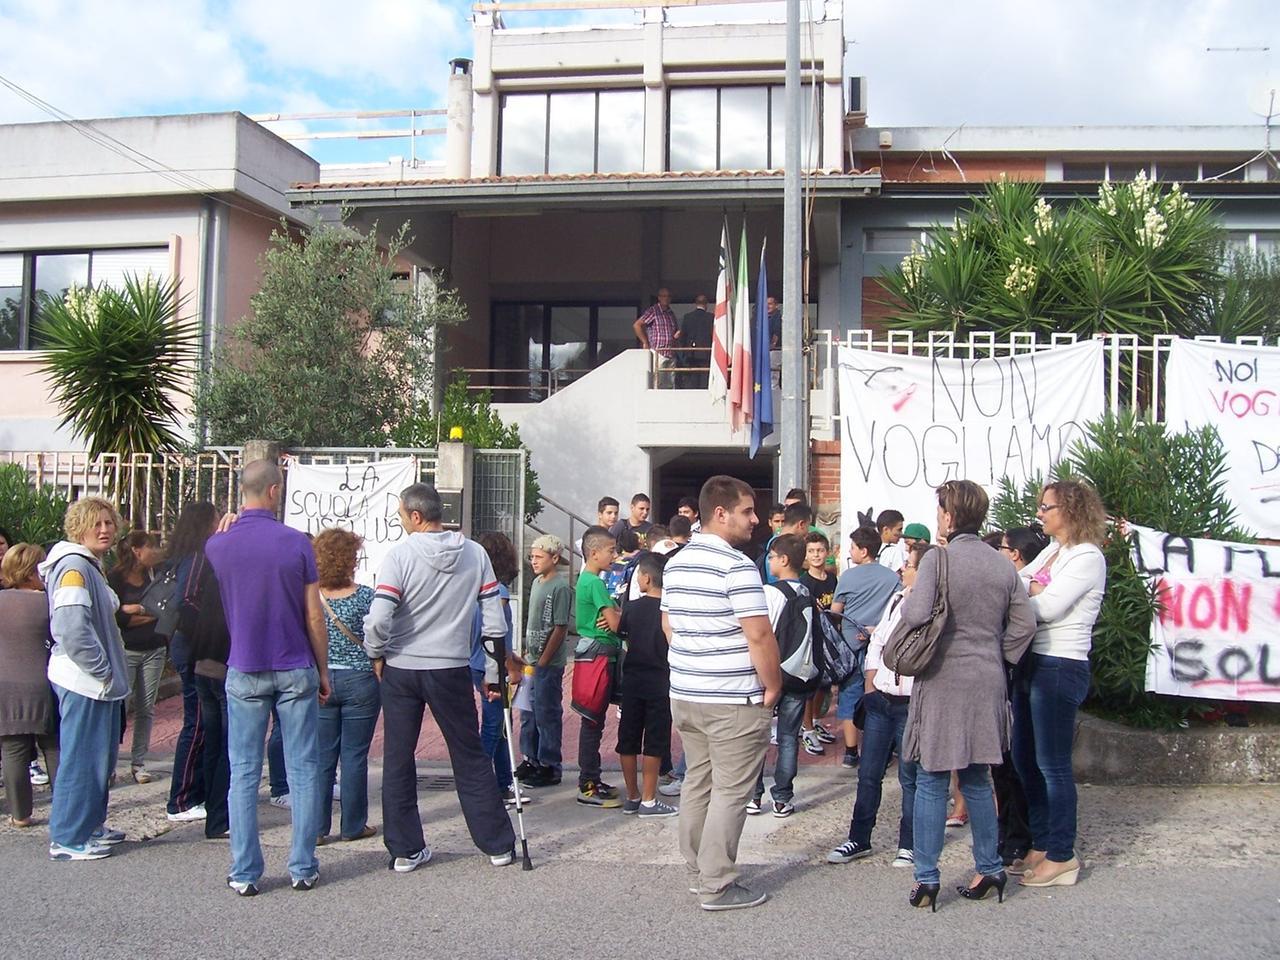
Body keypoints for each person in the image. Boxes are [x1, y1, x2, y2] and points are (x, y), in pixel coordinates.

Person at [363, 483, 516, 874]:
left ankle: (405, 849)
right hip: (450, 666)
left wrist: (375, 651)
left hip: (401, 667)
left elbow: (379, 618)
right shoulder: (475, 553)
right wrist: (494, 672)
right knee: (468, 755)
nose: (401, 521)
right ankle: (498, 844)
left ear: (416, 516)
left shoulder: (399, 555)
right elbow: (494, 621)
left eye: (401, 515)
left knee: (398, 758)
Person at [899, 480, 1036, 912]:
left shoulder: (937, 559)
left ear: (950, 515)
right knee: (978, 777)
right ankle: (990, 867)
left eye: (941, 510)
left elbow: (917, 613)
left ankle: (926, 877)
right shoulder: (1001, 565)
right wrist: (1000, 654)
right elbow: (1025, 624)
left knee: (931, 778)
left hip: (943, 677)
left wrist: (909, 592)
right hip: (987, 678)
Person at [206, 460, 331, 896]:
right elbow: (314, 615)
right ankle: (303, 865)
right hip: (294, 664)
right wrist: (323, 670)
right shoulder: (297, 543)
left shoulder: (218, 545)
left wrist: (223, 529)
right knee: (303, 767)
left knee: (243, 771)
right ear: (275, 491)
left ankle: (244, 871)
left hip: (244, 665)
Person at [662, 475, 782, 912]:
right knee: (731, 791)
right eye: (747, 511)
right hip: (732, 697)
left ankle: (698, 871)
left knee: (699, 782)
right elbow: (759, 634)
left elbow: (668, 624)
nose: (755, 519)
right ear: (720, 513)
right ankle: (717, 883)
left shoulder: (676, 563)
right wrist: (773, 684)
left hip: (687, 692)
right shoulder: (737, 566)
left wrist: (695, 660)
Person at [1010, 481, 1107, 888]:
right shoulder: (1054, 551)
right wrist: (1032, 587)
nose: (1040, 513)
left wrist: (1033, 589)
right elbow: (1017, 581)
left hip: (1060, 663)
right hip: (1032, 659)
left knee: (1052, 764)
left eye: (1046, 507)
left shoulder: (1087, 556)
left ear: (1069, 509)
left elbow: (1047, 607)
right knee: (1024, 757)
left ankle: (1062, 854)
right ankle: (1042, 840)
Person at [827, 541, 931, 867]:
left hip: (912, 702)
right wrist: (871, 685)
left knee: (910, 777)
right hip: (881, 699)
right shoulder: (897, 598)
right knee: (869, 773)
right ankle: (859, 838)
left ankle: (909, 843)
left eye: (909, 565)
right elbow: (879, 641)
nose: (903, 569)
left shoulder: (935, 607)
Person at [39, 497, 131, 861]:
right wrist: (102, 670)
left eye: (109, 523)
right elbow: (71, 628)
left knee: (97, 761)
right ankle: (68, 837)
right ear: (78, 528)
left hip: (94, 682)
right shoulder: (75, 567)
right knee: (82, 761)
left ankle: (89, 825)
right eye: (96, 523)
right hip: (85, 682)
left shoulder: (88, 565)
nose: (105, 529)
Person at [313, 528, 379, 845]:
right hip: (360, 678)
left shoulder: (311, 596)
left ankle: (316, 827)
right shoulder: (366, 596)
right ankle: (353, 825)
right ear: (350, 560)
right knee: (354, 756)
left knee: (322, 757)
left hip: (322, 678)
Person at [991, 524, 1050, 865]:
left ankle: (1019, 836)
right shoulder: (1009, 583)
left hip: (1021, 673)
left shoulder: (1026, 585)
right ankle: (1005, 832)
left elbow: (1024, 626)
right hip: (1003, 678)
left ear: (1013, 553)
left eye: (1001, 548)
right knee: (1001, 763)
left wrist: (1004, 656)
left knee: (1017, 761)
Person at [748, 534, 813, 819]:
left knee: (757, 737)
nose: (769, 562)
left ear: (783, 560)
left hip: (771, 673)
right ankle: (782, 798)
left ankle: (754, 795)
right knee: (788, 737)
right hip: (799, 674)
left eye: (772, 557)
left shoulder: (771, 593)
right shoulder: (806, 592)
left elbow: (762, 634)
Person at [165, 503, 221, 825]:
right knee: (197, 722)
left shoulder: (185, 555)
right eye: (216, 519)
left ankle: (196, 791)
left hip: (188, 645)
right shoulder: (198, 557)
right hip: (192, 647)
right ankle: (182, 799)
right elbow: (186, 600)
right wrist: (208, 628)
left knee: (202, 721)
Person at [829, 526, 900, 769]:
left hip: (850, 647)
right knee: (879, 699)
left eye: (852, 547)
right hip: (881, 647)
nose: (850, 551)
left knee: (849, 697)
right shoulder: (892, 578)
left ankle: (851, 752)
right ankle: (878, 751)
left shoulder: (848, 577)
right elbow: (897, 611)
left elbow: (835, 612)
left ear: (864, 550)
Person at [0, 543, 59, 828]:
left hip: (5, 686)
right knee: (55, 748)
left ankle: (20, 814)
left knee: (13, 751)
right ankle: (64, 808)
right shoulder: (48, 602)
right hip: (46, 682)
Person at [617, 552, 678, 818]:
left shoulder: (632, 608)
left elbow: (623, 634)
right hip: (660, 681)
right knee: (655, 740)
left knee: (627, 738)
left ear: (647, 578)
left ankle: (632, 796)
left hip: (632, 680)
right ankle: (649, 799)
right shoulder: (671, 609)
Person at [107, 530, 167, 784]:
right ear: (137, 550)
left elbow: (165, 610)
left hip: (155, 649)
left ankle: (138, 762)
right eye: (151, 546)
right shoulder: (115, 578)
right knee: (120, 707)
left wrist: (138, 610)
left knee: (146, 708)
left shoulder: (157, 574)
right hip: (127, 649)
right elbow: (117, 618)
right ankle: (109, 763)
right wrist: (146, 613)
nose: (156, 551)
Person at [187, 522, 233, 841]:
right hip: (226, 667)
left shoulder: (211, 574)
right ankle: (219, 815)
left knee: (213, 743)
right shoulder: (237, 579)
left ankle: (211, 811)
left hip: (203, 664)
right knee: (230, 746)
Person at [515, 534, 571, 788]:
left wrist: (545, 660)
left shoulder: (560, 587)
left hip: (547, 664)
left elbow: (560, 627)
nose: (534, 561)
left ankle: (550, 764)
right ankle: (531, 758)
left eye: (539, 556)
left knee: (546, 712)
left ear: (554, 558)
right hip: (531, 659)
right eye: (532, 557)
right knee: (528, 712)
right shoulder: (537, 582)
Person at [572, 526, 623, 808]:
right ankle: (587, 784)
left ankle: (592, 778)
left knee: (594, 722)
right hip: (598, 657)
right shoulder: (594, 583)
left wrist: (617, 613)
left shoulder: (589, 580)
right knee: (592, 722)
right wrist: (619, 616)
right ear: (593, 553)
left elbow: (614, 617)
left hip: (596, 655)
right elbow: (615, 624)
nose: (614, 555)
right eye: (610, 550)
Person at [471, 532, 518, 805]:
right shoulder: (497, 592)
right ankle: (481, 783)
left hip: (479, 662)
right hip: (492, 666)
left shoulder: (476, 589)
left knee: (501, 726)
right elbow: (496, 632)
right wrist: (509, 664)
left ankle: (503, 782)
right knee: (493, 726)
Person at [799, 532, 839, 754]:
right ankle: (807, 729)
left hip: (830, 638)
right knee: (811, 686)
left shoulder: (832, 579)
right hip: (812, 640)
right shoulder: (804, 582)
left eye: (820, 550)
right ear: (805, 555)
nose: (816, 555)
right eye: (811, 551)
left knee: (825, 685)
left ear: (827, 552)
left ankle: (815, 721)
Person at [757, 502, 812, 584]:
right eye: (808, 526)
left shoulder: (780, 544)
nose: (808, 531)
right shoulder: (778, 548)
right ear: (801, 524)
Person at [633, 287, 678, 386]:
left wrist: (676, 335)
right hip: (658, 353)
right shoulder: (653, 311)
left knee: (670, 385)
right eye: (664, 296)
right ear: (659, 298)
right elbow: (637, 325)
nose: (666, 298)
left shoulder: (671, 313)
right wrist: (645, 342)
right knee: (657, 383)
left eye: (668, 296)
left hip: (671, 353)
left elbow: (674, 332)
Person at [674, 293, 713, 388]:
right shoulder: (711, 317)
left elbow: (682, 337)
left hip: (691, 354)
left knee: (692, 381)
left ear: (696, 303)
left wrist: (684, 353)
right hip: (706, 354)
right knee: (704, 380)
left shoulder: (688, 317)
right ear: (706, 304)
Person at [875, 510, 906, 574]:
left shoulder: (869, 548)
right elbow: (898, 577)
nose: (901, 533)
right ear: (886, 530)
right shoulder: (895, 552)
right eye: (899, 530)